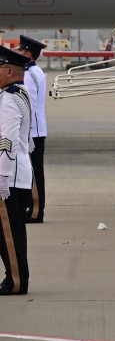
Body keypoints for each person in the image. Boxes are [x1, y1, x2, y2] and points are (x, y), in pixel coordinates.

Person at [0, 45, 32, 295]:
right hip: (19, 173)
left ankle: (16, 281)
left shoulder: (9, 99)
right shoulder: (21, 94)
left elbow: (7, 142)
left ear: (9, 70)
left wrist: (2, 177)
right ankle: (15, 277)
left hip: (9, 177)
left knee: (9, 234)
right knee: (13, 231)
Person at [15, 36, 46, 223]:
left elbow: (29, 105)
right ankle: (33, 208)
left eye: (19, 50)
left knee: (34, 174)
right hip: (37, 129)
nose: (17, 53)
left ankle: (35, 211)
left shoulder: (28, 74)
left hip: (33, 131)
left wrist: (26, 132)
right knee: (34, 172)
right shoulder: (35, 71)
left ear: (27, 54)